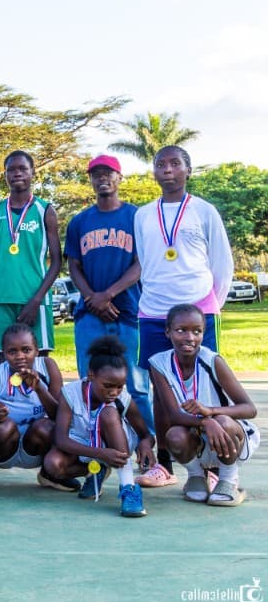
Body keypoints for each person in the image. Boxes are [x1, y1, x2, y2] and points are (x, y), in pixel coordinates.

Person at [134, 146, 234, 488]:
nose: (167, 170)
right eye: (160, 164)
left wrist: (210, 307)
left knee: (207, 387)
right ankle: (163, 465)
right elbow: (146, 261)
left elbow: (221, 263)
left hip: (198, 309)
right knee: (160, 389)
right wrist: (156, 296)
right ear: (154, 172)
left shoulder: (204, 211)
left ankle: (212, 466)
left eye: (175, 163)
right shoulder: (143, 215)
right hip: (154, 311)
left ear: (188, 170)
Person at [65, 154, 151, 435]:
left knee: (136, 385)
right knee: (89, 381)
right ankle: (93, 441)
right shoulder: (80, 221)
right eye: (96, 174)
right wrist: (92, 297)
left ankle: (146, 442)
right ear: (90, 180)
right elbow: (74, 265)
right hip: (90, 314)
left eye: (108, 173)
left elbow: (141, 263)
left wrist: (108, 294)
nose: (102, 178)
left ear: (119, 178)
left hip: (127, 311)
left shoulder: (137, 217)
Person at [148, 304, 259, 506]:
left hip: (228, 435)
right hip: (195, 435)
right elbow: (173, 416)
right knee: (174, 434)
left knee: (223, 421)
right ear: (168, 332)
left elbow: (249, 409)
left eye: (197, 331)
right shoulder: (158, 363)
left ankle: (228, 480)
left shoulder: (213, 360)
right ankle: (196, 476)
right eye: (181, 330)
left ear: (203, 334)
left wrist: (211, 412)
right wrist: (206, 422)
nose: (189, 337)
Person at [43, 336, 155, 518]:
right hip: (85, 444)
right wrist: (100, 454)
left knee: (109, 413)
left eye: (120, 386)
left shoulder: (123, 398)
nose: (114, 392)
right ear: (91, 375)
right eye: (108, 386)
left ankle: (129, 488)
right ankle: (98, 470)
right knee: (53, 464)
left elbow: (146, 434)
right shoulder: (70, 393)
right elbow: (61, 439)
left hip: (116, 443)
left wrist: (146, 444)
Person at [0, 151, 61, 362]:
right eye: (11, 170)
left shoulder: (45, 210)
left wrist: (36, 300)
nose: (17, 173)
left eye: (23, 168)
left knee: (39, 361)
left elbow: (56, 262)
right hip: (0, 300)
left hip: (34, 299)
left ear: (33, 172)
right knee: (4, 363)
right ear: (5, 175)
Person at [0, 324, 68, 492]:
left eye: (26, 350)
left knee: (46, 426)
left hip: (35, 445)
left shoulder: (48, 367)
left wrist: (39, 388)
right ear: (3, 353)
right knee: (3, 426)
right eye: (12, 351)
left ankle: (48, 474)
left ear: (37, 351)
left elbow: (60, 416)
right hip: (3, 449)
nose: (20, 356)